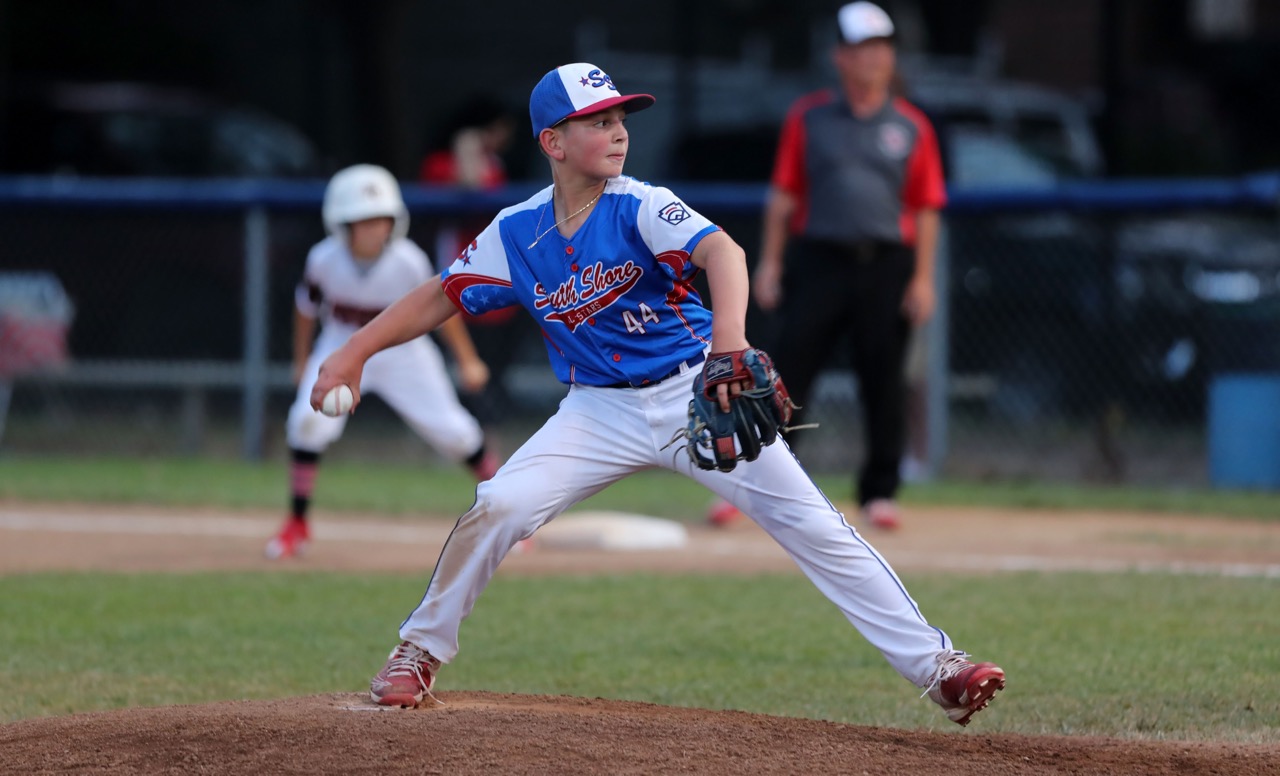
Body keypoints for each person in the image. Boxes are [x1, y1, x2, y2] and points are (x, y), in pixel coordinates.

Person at [310, 62, 1004, 726]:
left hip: (693, 390)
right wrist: (351, 352)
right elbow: (440, 295)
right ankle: (419, 650)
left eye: (620, 117)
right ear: (552, 142)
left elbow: (723, 253)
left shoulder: (643, 205)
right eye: (595, 120)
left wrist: (728, 344)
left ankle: (939, 668)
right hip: (596, 410)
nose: (617, 131)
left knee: (815, 526)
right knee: (499, 504)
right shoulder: (516, 232)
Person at [747, 1, 946, 532]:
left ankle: (880, 491)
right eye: (863, 49)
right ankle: (769, 483)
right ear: (840, 58)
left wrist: (923, 278)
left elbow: (926, 206)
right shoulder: (809, 117)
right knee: (788, 372)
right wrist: (769, 264)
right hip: (819, 258)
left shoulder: (911, 125)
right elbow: (783, 196)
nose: (875, 59)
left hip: (885, 264)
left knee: (883, 378)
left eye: (882, 48)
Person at [265, 163, 499, 560]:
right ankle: (297, 524)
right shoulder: (323, 259)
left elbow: (442, 307)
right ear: (340, 224)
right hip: (341, 346)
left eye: (382, 220)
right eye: (363, 221)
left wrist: (468, 359)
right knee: (306, 425)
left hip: (403, 352)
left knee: (455, 433)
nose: (376, 228)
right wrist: (302, 360)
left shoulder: (408, 260)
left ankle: (510, 513)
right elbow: (305, 309)